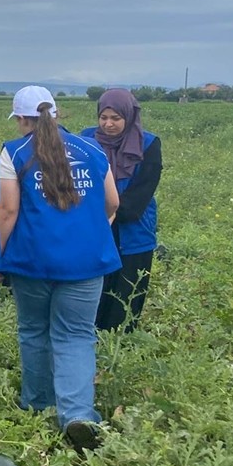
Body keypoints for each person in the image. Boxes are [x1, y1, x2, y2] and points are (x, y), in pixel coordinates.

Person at [0, 86, 121, 451]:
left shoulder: (15, 152)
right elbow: (113, 202)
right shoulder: (93, 149)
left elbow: (7, 212)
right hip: (86, 264)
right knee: (77, 335)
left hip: (33, 262)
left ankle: (36, 403)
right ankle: (78, 414)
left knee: (34, 331)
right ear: (57, 113)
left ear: (22, 120)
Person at [81, 88, 162, 333]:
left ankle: (121, 343)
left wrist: (112, 211)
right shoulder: (86, 140)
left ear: (129, 116)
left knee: (126, 293)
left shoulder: (148, 144)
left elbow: (142, 191)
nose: (108, 124)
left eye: (115, 118)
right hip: (96, 227)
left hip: (133, 228)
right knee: (94, 290)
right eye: (103, 117)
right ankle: (93, 338)